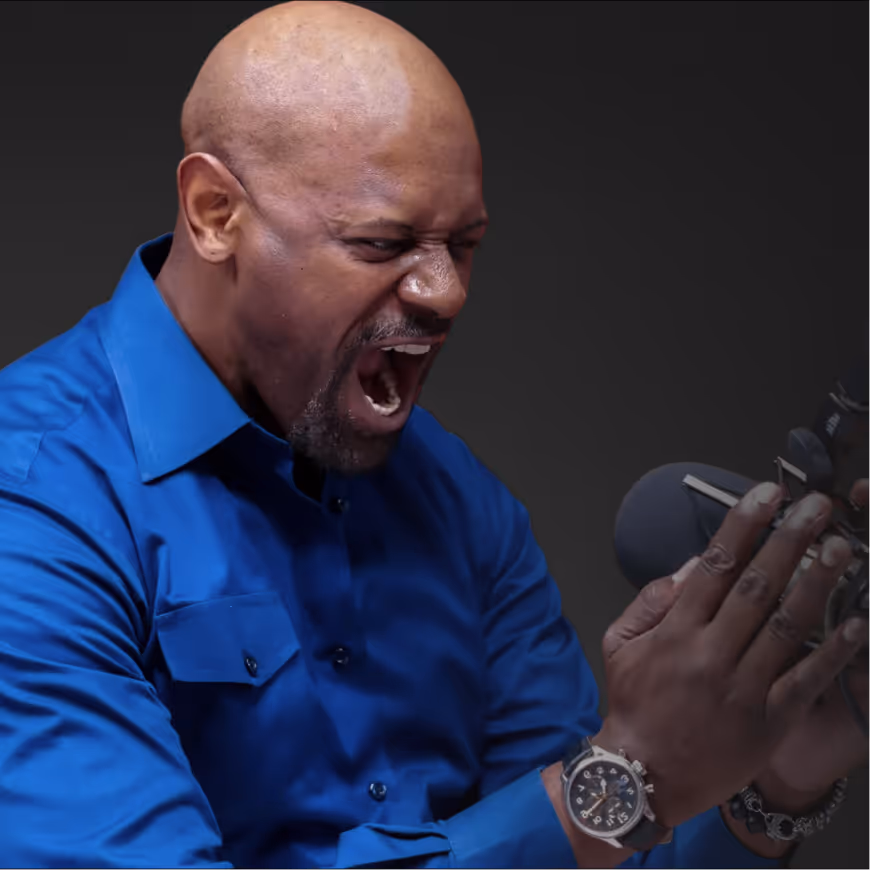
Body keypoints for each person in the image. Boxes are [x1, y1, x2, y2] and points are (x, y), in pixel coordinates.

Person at [0, 2, 865, 867]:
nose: (446, 293)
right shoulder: (31, 508)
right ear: (217, 212)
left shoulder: (459, 502)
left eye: (466, 243)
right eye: (384, 242)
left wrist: (775, 778)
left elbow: (602, 847)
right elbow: (600, 813)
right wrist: (625, 780)